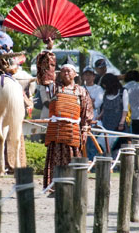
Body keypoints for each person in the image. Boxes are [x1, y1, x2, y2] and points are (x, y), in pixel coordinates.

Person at [37, 38, 94, 189]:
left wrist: (85, 129)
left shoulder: (81, 91)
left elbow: (86, 112)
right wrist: (49, 50)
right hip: (56, 131)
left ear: (75, 74)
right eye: (62, 71)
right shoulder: (54, 88)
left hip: (73, 132)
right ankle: (53, 186)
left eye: (68, 71)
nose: (65, 73)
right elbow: (45, 75)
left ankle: (72, 186)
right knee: (54, 159)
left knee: (72, 158)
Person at [98, 73, 130, 154]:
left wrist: (122, 122)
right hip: (106, 124)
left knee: (117, 149)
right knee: (104, 148)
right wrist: (98, 117)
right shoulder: (105, 94)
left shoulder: (123, 92)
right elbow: (104, 108)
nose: (104, 87)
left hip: (118, 126)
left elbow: (125, 109)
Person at [82, 66, 104, 161]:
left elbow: (97, 104)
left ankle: (92, 162)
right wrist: (90, 100)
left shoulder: (99, 89)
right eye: (86, 74)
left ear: (94, 76)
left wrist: (87, 101)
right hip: (82, 119)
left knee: (93, 143)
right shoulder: (80, 88)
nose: (88, 77)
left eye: (90, 74)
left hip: (94, 119)